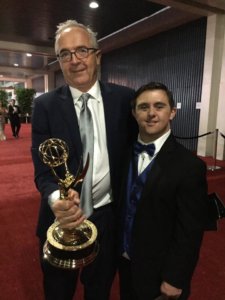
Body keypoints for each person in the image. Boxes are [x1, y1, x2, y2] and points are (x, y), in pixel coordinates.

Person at [31, 19, 136, 300]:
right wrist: (57, 201)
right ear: (59, 61)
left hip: (107, 219)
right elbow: (42, 172)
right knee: (57, 291)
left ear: (97, 55)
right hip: (60, 221)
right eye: (65, 54)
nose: (74, 60)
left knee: (99, 290)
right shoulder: (45, 106)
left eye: (82, 51)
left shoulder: (125, 100)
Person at [119, 82, 208, 300]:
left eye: (159, 106)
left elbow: (190, 231)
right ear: (134, 112)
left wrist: (176, 278)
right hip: (125, 262)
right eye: (143, 107)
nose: (151, 113)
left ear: (172, 112)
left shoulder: (190, 166)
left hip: (160, 272)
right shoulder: (122, 154)